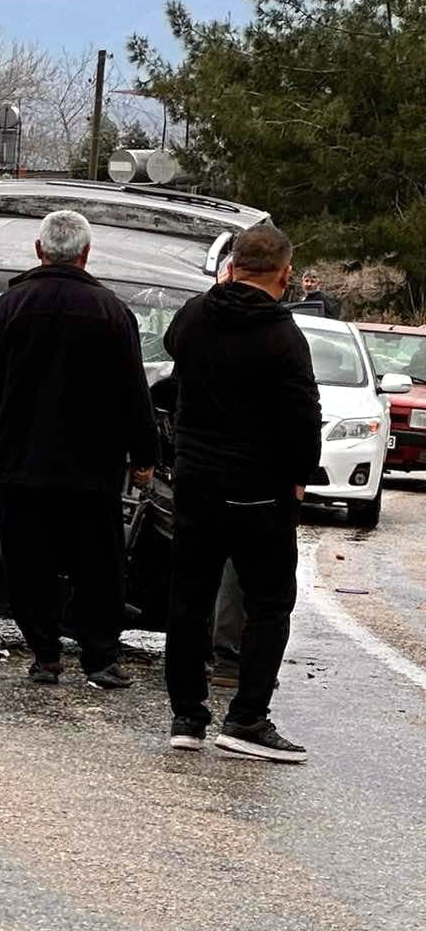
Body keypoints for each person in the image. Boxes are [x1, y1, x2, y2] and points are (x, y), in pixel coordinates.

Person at [0, 209, 158, 690]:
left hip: (21, 464)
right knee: (98, 564)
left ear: (39, 250)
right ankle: (101, 659)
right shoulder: (113, 312)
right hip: (93, 468)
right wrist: (145, 455)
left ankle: (45, 655)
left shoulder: (10, 307)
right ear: (86, 255)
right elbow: (134, 389)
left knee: (29, 563)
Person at [162, 223, 320, 762]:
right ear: (286, 273)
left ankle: (187, 714)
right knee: (269, 604)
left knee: (189, 598)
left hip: (197, 483)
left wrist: (219, 289)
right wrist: (301, 474)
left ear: (230, 266)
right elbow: (303, 412)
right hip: (260, 490)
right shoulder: (283, 334)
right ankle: (247, 717)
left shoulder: (194, 316)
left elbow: (170, 345)